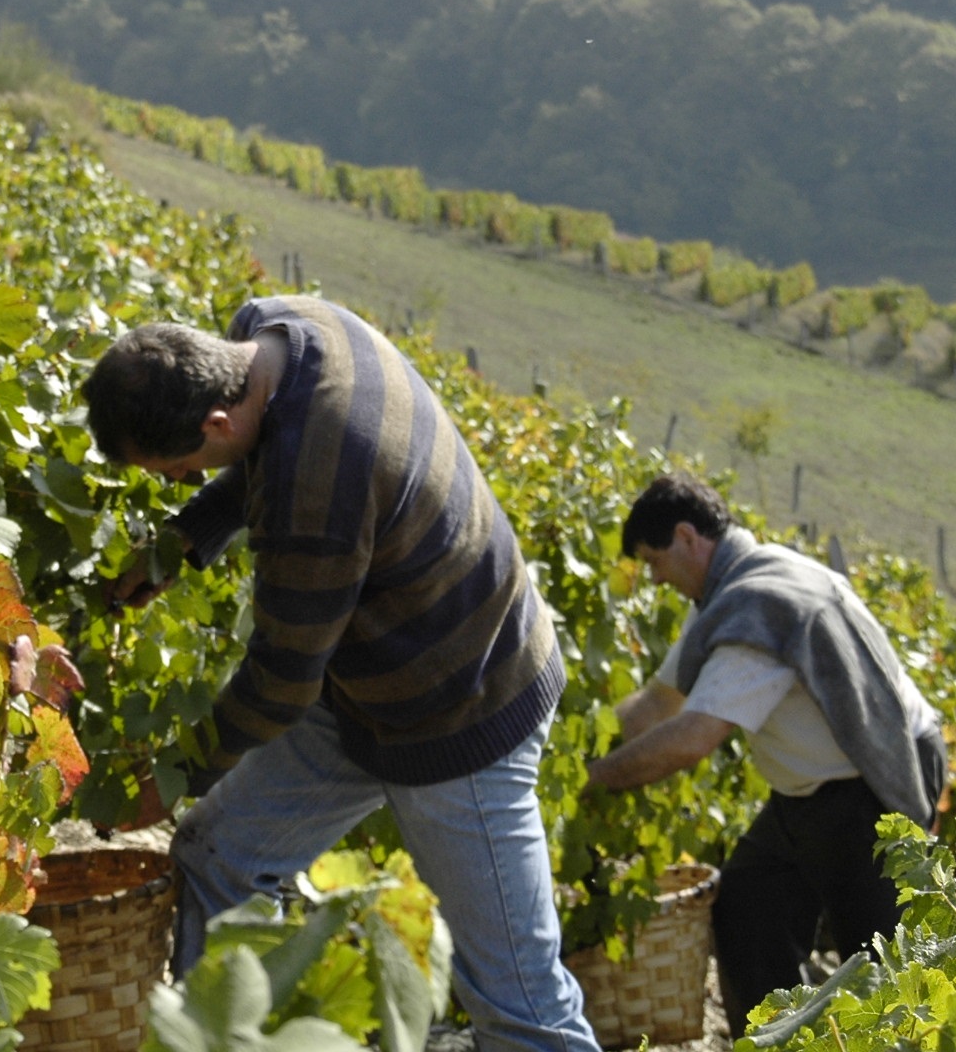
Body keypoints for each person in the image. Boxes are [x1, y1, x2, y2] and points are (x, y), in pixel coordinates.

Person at [81, 297, 598, 1052]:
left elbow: (283, 680)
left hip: (465, 709)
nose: (180, 479)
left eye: (177, 469)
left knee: (521, 1007)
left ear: (214, 426)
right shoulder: (276, 328)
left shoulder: (317, 483)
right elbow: (264, 450)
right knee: (217, 858)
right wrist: (191, 532)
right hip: (364, 689)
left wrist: (176, 775)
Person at [585, 474, 946, 1036]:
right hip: (809, 793)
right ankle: (780, 1044)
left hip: (872, 789)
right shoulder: (732, 591)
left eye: (654, 561)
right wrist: (584, 742)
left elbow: (691, 737)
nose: (654, 578)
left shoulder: (762, 608)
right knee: (748, 911)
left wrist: (595, 778)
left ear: (686, 537)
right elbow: (659, 702)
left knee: (885, 976)